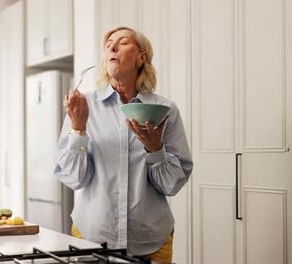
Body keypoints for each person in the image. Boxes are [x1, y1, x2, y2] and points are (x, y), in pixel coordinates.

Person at [54, 26, 193, 263]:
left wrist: (155, 149)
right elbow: (73, 178)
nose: (112, 46)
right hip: (91, 239)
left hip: (151, 241)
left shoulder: (165, 110)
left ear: (141, 57)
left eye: (122, 41)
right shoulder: (84, 107)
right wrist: (78, 129)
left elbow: (171, 185)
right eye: (108, 44)